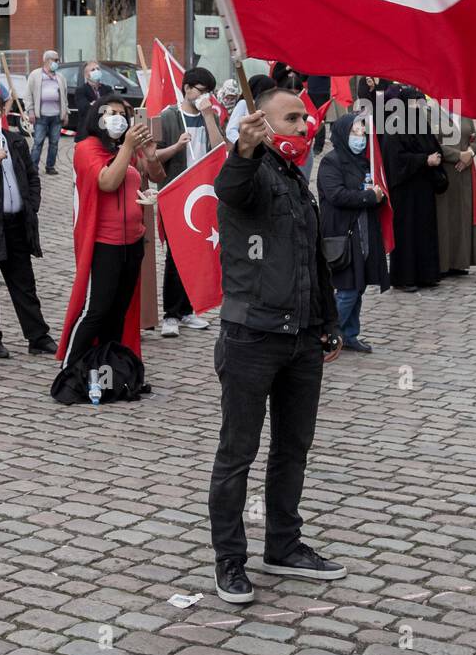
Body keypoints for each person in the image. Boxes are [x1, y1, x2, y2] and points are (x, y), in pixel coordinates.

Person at [208, 82, 345, 603]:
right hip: (251, 336)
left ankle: (284, 546)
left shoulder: (295, 177)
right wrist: (243, 149)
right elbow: (232, 188)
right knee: (237, 452)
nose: (303, 127)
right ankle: (229, 561)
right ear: (263, 125)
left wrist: (327, 321)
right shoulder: (251, 170)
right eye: (291, 119)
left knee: (293, 449)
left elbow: (313, 259)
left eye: (305, 120)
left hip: (302, 338)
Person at [57, 95, 164, 388]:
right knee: (97, 309)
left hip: (133, 243)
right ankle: (70, 368)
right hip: (105, 243)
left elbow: (155, 176)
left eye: (123, 114)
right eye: (112, 112)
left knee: (120, 311)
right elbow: (107, 182)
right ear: (97, 116)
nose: (118, 118)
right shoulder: (86, 148)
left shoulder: (124, 150)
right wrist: (128, 146)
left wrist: (151, 155)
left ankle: (108, 368)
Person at [0, 85, 56, 360]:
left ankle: (38, 336)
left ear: (1, 111)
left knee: (24, 285)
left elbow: (31, 176)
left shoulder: (15, 141)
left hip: (16, 225)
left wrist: (31, 207)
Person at [155, 67, 224, 337]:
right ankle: (170, 314)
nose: (204, 96)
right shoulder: (169, 116)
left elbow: (220, 148)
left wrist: (208, 114)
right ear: (187, 88)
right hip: (176, 193)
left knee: (197, 254)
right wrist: (176, 147)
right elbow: (152, 156)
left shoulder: (211, 115)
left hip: (203, 193)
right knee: (176, 256)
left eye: (209, 92)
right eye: (201, 90)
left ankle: (187, 310)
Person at [317, 112, 390, 352]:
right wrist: (370, 196)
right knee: (348, 289)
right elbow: (336, 195)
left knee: (357, 287)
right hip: (342, 233)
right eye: (355, 133)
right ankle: (326, 335)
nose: (360, 138)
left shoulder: (363, 161)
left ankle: (349, 334)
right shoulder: (332, 162)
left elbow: (371, 191)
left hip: (362, 231)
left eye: (362, 133)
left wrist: (376, 195)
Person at [381, 85, 444, 293]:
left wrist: (435, 157)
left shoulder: (421, 123)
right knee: (406, 233)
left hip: (423, 187)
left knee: (424, 230)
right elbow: (395, 158)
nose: (418, 106)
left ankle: (426, 274)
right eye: (414, 102)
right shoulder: (395, 125)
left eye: (419, 102)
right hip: (405, 189)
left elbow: (433, 145)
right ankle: (404, 277)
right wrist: (424, 160)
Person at [435, 106, 476, 275]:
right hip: (445, 173)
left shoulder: (465, 112)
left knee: (462, 216)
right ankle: (444, 263)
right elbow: (432, 143)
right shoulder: (432, 114)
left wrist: (470, 153)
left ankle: (460, 261)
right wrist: (458, 155)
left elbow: (475, 139)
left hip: (464, 173)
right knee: (445, 219)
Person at [25, 50, 68, 175]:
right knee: (38, 143)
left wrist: (66, 113)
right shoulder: (35, 75)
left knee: (54, 143)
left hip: (56, 116)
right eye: (56, 60)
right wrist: (31, 111)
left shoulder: (60, 77)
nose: (57, 63)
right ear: (47, 60)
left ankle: (50, 167)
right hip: (41, 116)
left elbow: (64, 97)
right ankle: (33, 168)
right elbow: (28, 95)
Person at [225, 74, 273, 144]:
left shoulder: (267, 106)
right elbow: (230, 130)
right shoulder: (244, 103)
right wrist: (244, 145)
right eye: (270, 91)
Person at [74, 61, 109, 143]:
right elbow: (84, 109)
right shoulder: (81, 90)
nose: (96, 71)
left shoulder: (107, 89)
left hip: (104, 131)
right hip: (87, 132)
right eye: (93, 70)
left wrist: (94, 104)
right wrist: (102, 105)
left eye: (98, 69)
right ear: (86, 75)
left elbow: (111, 106)